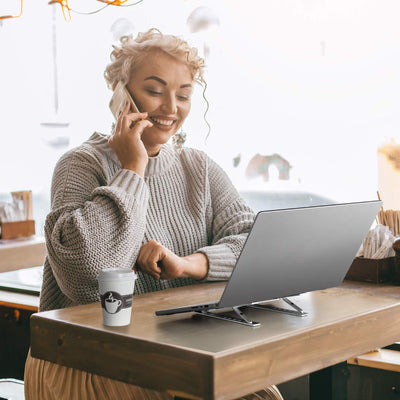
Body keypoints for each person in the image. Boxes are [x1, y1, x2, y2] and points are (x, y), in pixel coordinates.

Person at [25, 28, 284, 400]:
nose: (171, 108)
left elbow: (258, 245)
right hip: (89, 359)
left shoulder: (200, 168)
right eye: (155, 90)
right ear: (120, 91)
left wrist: (189, 264)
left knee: (261, 395)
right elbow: (84, 273)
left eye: (183, 94)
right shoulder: (80, 165)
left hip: (182, 351)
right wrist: (132, 168)